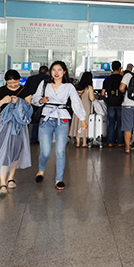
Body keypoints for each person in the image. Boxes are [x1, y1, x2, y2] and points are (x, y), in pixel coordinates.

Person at [33, 61, 87, 190]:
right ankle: (41, 169)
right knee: (45, 151)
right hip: (46, 119)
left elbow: (76, 102)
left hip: (62, 119)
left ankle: (59, 179)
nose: (56, 73)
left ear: (64, 72)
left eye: (59, 70)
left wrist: (82, 119)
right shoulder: (44, 84)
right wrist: (41, 100)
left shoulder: (69, 86)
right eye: (53, 70)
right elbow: (35, 99)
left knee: (60, 151)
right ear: (50, 72)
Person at [0, 70, 33, 196]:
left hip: (19, 126)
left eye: (15, 83)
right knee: (2, 152)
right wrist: (3, 101)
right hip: (4, 125)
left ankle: (11, 178)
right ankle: (2, 183)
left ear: (19, 80)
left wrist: (19, 103)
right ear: (6, 81)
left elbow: (28, 110)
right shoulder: (0, 91)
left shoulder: (25, 92)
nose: (13, 86)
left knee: (16, 152)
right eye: (10, 83)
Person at [24, 65, 50, 144]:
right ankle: (34, 139)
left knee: (27, 119)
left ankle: (25, 138)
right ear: (47, 72)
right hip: (42, 102)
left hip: (30, 100)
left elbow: (25, 89)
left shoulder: (31, 78)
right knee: (37, 120)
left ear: (39, 71)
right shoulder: (48, 80)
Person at [101, 61, 124, 147]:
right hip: (120, 103)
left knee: (111, 123)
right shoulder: (122, 78)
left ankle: (110, 142)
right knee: (120, 123)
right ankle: (120, 142)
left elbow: (103, 93)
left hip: (110, 103)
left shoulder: (107, 79)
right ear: (120, 68)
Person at [70, 71, 95, 148]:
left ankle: (77, 142)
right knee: (85, 123)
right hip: (85, 107)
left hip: (77, 107)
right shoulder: (89, 87)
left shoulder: (77, 87)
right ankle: (84, 142)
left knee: (77, 122)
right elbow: (92, 98)